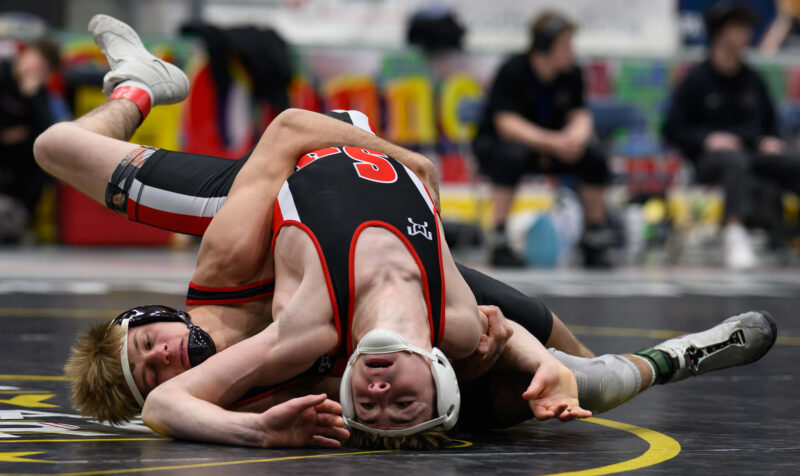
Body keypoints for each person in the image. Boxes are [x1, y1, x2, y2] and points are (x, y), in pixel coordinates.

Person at [36, 16, 778, 450]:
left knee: (56, 147)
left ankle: (138, 84)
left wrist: (407, 161)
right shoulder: (277, 381)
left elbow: (288, 132)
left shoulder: (225, 271)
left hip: (286, 189)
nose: (165, 358)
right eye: (156, 371)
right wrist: (523, 357)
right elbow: (464, 334)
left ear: (152, 316)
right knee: (547, 367)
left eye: (147, 346)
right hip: (398, 260)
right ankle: (657, 363)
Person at [664, 2, 800, 269]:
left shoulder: (753, 79)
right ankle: (734, 232)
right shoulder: (696, 81)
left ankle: (790, 235)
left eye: (746, 28)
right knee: (734, 160)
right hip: (711, 159)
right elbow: (672, 128)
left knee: (793, 162)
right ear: (719, 33)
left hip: (753, 151)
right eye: (738, 28)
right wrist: (708, 139)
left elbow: (770, 124)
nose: (745, 35)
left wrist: (772, 140)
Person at [472, 11, 612, 268]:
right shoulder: (514, 70)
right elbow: (506, 124)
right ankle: (499, 235)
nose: (571, 51)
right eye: (565, 45)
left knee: (593, 156)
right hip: (509, 145)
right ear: (546, 46)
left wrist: (576, 138)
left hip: (554, 147)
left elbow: (580, 114)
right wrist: (553, 141)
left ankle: (595, 234)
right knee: (510, 156)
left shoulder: (572, 74)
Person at [0, 38, 59, 242]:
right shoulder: (3, 73)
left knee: (42, 164)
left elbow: (45, 132)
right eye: (35, 59)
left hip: (19, 157)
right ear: (25, 54)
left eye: (41, 67)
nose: (34, 67)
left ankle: (17, 221)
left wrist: (32, 96)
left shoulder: (38, 92)